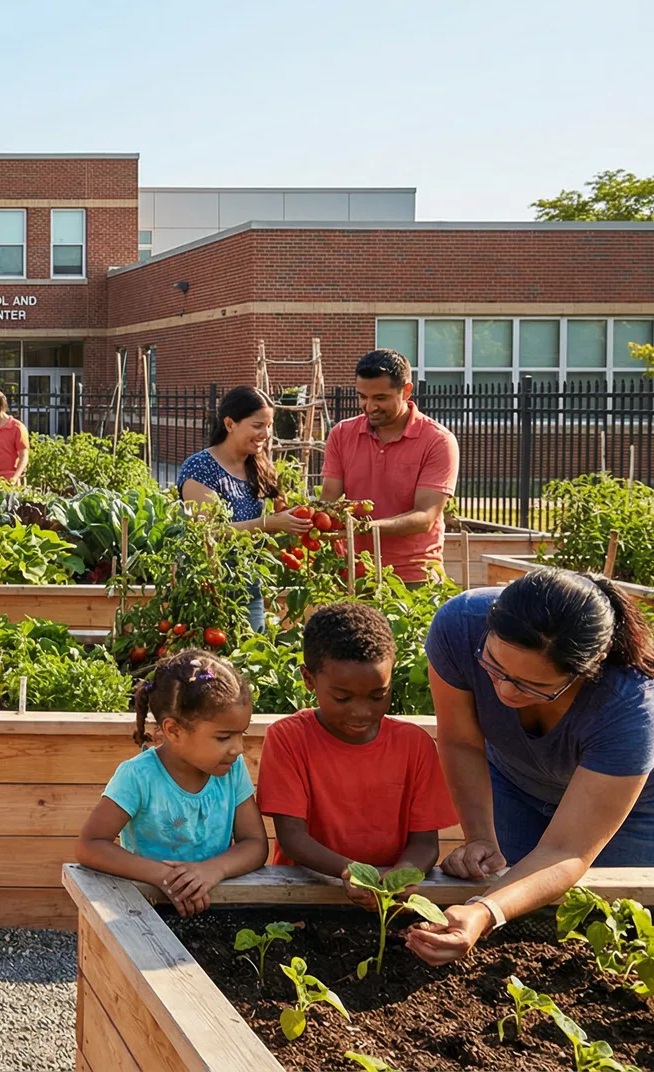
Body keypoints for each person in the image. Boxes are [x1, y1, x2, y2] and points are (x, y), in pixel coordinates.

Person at [407, 569, 654, 966]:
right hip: (516, 777)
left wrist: (484, 911)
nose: (505, 691)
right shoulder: (460, 626)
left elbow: (566, 850)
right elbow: (460, 741)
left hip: (635, 805)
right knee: (520, 932)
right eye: (494, 666)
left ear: (586, 670)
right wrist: (479, 837)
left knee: (608, 940)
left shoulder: (629, 701)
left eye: (532, 686)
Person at [256, 602, 458, 908]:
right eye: (342, 697)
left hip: (392, 902)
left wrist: (403, 874)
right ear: (309, 680)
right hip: (304, 898)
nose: (362, 712)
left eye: (379, 695)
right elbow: (292, 838)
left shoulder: (414, 745)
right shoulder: (288, 738)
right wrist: (349, 872)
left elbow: (426, 844)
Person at [77, 651, 266, 916]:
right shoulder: (138, 777)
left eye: (241, 734)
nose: (238, 748)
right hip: (146, 910)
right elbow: (90, 845)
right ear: (173, 730)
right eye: (224, 737)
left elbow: (256, 844)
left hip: (218, 904)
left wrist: (213, 870)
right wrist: (165, 877)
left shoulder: (232, 770)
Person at [179, 386, 313, 630]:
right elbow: (208, 532)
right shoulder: (200, 468)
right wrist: (269, 524)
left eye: (269, 425)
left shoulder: (260, 465)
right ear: (230, 424)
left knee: (252, 653)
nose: (266, 433)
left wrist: (305, 517)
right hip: (209, 582)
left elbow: (282, 512)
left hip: (248, 581)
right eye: (257, 425)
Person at [320, 349, 459, 584]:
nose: (369, 406)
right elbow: (329, 501)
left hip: (414, 576)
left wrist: (363, 527)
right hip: (353, 573)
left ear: (406, 391)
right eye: (362, 396)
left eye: (380, 398)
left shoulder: (437, 441)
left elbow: (425, 516)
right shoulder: (342, 434)